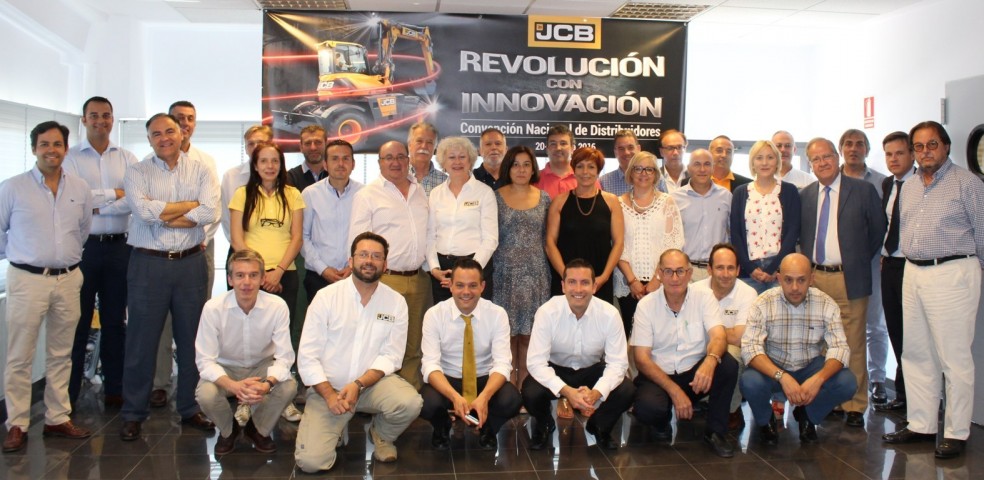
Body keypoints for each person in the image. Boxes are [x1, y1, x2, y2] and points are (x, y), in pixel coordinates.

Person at [883, 121, 984, 459]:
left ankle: (956, 432)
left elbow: (983, 233)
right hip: (913, 271)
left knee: (953, 358)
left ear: (946, 146)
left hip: (952, 272)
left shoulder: (967, 184)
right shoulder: (910, 186)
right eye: (919, 146)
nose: (925, 152)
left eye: (932, 144)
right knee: (916, 353)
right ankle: (922, 424)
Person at [119, 113, 219, 441]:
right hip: (148, 265)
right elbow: (142, 211)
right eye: (156, 133)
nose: (164, 138)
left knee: (192, 341)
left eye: (170, 131)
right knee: (141, 342)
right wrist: (187, 207)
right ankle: (133, 412)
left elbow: (209, 211)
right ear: (149, 139)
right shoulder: (137, 172)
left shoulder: (201, 170)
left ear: (182, 134)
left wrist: (162, 212)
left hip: (190, 263)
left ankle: (190, 407)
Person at [294, 232, 423, 473]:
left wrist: (358, 384)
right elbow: (308, 357)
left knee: (410, 402)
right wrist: (329, 395)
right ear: (351, 260)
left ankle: (381, 434)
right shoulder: (326, 297)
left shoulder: (395, 302)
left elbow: (392, 356)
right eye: (363, 254)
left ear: (385, 264)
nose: (369, 261)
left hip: (371, 386)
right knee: (311, 463)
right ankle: (336, 426)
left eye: (376, 256)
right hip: (328, 390)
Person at [1, 121, 93, 453]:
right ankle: (17, 423)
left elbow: (82, 231)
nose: (51, 150)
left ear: (66, 148)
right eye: (44, 144)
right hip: (27, 280)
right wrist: (24, 255)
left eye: (57, 144)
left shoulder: (79, 188)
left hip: (68, 279)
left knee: (61, 353)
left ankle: (57, 417)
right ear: (34, 149)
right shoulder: (12, 188)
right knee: (20, 355)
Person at [799, 137, 885, 428]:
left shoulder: (862, 190)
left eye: (827, 156)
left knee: (853, 343)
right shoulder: (806, 195)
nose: (822, 163)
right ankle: (831, 399)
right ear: (810, 164)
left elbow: (877, 232)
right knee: (822, 343)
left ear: (837, 158)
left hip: (849, 278)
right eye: (816, 159)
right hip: (816, 278)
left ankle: (855, 404)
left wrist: (855, 261)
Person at [63, 96, 138, 407]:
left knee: (115, 322)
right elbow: (74, 200)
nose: (100, 121)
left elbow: (134, 200)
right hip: (84, 248)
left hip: (120, 247)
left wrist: (96, 202)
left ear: (112, 118)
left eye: (106, 115)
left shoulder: (127, 158)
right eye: (93, 115)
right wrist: (113, 194)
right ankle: (68, 395)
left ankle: (115, 390)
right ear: (84, 120)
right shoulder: (70, 158)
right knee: (78, 323)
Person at [631, 249, 738, 458]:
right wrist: (674, 391)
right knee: (648, 409)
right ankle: (661, 421)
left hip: (694, 376)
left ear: (689, 274)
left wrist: (710, 361)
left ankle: (716, 432)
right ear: (659, 273)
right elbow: (641, 359)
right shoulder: (646, 305)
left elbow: (719, 337)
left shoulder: (704, 297)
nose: (675, 278)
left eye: (680, 271)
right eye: (668, 271)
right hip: (659, 376)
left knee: (727, 365)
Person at [740, 253, 856, 446]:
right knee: (750, 381)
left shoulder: (826, 303)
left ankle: (808, 415)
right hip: (774, 366)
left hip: (810, 366)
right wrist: (782, 377)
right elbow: (750, 348)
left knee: (847, 382)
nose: (795, 287)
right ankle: (765, 420)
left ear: (812, 279)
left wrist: (818, 380)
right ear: (779, 279)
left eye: (801, 280)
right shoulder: (763, 302)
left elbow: (840, 348)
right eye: (788, 280)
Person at [151, 100, 221, 409]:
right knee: (161, 321)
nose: (185, 124)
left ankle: (194, 388)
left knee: (195, 321)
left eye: (190, 118)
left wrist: (197, 234)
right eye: (178, 118)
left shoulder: (205, 162)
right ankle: (160, 383)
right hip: (160, 250)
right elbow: (151, 212)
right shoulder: (149, 164)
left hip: (200, 248)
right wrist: (185, 214)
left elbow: (211, 210)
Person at [523, 259, 635, 451]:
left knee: (627, 390)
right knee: (530, 392)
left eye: (584, 283)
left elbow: (618, 364)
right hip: (556, 369)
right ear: (563, 286)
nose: (578, 289)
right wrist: (567, 392)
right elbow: (536, 363)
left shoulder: (609, 314)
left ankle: (599, 426)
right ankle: (544, 424)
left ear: (594, 286)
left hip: (591, 369)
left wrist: (596, 392)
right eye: (572, 282)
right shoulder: (547, 312)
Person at [229, 142, 305, 422]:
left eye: (275, 161)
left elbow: (296, 238)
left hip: (285, 275)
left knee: (281, 340)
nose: (270, 166)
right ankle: (246, 399)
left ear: (281, 165)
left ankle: (282, 398)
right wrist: (258, 275)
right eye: (264, 161)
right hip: (252, 278)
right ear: (255, 165)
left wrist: (278, 271)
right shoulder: (242, 194)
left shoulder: (293, 194)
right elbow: (237, 238)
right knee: (250, 340)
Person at [195, 249, 297, 456]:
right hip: (226, 368)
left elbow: (285, 358)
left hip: (262, 366)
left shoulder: (277, 306)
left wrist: (267, 384)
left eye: (253, 275)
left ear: (262, 278)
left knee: (289, 386)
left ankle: (257, 429)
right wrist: (233, 386)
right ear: (230, 280)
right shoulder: (213, 308)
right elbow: (205, 361)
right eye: (240, 275)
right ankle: (228, 431)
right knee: (205, 394)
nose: (247, 282)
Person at [349, 140, 430, 390]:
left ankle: (410, 396)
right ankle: (375, 393)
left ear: (408, 160)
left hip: (419, 279)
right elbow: (358, 241)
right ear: (379, 163)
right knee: (381, 340)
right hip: (385, 279)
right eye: (389, 158)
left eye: (400, 157)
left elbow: (429, 233)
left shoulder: (420, 191)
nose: (395, 162)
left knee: (414, 343)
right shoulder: (367, 195)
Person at [420, 259, 521, 450]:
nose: (466, 292)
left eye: (473, 285)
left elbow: (502, 364)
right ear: (450, 285)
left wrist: (484, 397)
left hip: (483, 378)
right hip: (448, 379)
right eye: (460, 285)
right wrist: (455, 397)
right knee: (425, 402)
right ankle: (442, 426)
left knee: (511, 399)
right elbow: (430, 365)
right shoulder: (434, 314)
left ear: (482, 286)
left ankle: (488, 428)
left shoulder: (497, 314)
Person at [839, 128, 891, 407]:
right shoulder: (831, 180)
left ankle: (878, 380)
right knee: (840, 325)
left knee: (874, 324)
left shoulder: (882, 183)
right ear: (841, 149)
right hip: (837, 265)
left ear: (867, 150)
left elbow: (883, 225)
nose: (853, 148)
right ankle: (841, 381)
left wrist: (867, 254)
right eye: (848, 144)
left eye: (859, 144)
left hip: (871, 263)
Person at [492, 145, 551, 392]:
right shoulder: (494, 197)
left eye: (526, 164)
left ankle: (526, 390)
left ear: (533, 168)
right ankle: (508, 392)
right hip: (503, 275)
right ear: (508, 167)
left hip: (536, 275)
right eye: (516, 164)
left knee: (529, 336)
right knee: (505, 337)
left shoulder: (544, 198)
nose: (521, 169)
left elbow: (548, 238)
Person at [614, 151, 684, 334]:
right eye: (638, 169)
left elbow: (673, 244)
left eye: (649, 169)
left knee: (660, 335)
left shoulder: (667, 202)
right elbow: (617, 245)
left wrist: (657, 279)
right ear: (631, 172)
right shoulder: (617, 203)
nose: (643, 173)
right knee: (630, 335)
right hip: (628, 284)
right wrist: (632, 281)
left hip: (660, 282)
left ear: (656, 174)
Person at [691, 243, 758, 431]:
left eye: (730, 268)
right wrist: (719, 334)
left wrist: (712, 333)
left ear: (738, 270)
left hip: (731, 348)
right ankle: (699, 398)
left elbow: (739, 337)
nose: (726, 274)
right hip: (699, 344)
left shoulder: (748, 293)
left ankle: (731, 409)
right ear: (709, 269)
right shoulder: (694, 291)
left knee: (731, 355)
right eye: (720, 268)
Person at [546, 147, 624, 304]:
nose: (585, 172)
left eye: (591, 167)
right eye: (580, 166)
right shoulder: (559, 201)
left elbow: (619, 243)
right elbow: (550, 243)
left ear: (598, 171)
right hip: (565, 279)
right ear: (573, 170)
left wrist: (604, 277)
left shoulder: (612, 201)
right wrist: (566, 276)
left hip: (599, 279)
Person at [426, 137, 498, 304]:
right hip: (443, 272)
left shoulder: (485, 193)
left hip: (475, 267)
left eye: (462, 157)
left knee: (476, 317)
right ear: (443, 162)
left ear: (470, 160)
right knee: (444, 317)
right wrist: (434, 268)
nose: (457, 162)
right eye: (451, 157)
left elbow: (491, 239)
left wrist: (470, 271)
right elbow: (430, 236)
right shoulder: (436, 194)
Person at [873, 131, 916, 413]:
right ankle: (902, 395)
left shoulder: (923, 183)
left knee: (915, 335)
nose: (893, 159)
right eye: (889, 154)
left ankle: (918, 399)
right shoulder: (888, 184)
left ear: (912, 154)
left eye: (899, 153)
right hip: (889, 266)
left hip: (913, 266)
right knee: (896, 332)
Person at [731, 140, 801, 294]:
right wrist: (750, 268)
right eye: (759, 158)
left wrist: (774, 268)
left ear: (777, 161)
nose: (764, 163)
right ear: (752, 163)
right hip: (749, 272)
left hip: (780, 271)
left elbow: (792, 232)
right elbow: (735, 234)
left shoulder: (789, 191)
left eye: (770, 157)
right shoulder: (740, 192)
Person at [302, 139, 362, 303]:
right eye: (335, 159)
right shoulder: (310, 194)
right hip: (318, 276)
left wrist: (352, 266)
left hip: (354, 275)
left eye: (346, 158)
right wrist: (323, 269)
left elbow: (368, 235)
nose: (341, 164)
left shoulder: (364, 194)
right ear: (325, 164)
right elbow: (303, 237)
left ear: (353, 164)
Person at [671, 149, 732, 283]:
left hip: (717, 270)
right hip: (686, 270)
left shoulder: (726, 196)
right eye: (697, 164)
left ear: (713, 168)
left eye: (707, 164)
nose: (702, 169)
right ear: (689, 168)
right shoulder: (674, 198)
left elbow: (732, 234)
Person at [220, 125, 273, 253]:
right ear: (246, 149)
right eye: (251, 144)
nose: (255, 147)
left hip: (273, 249)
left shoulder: (282, 177)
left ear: (271, 145)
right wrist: (240, 247)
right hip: (239, 250)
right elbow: (226, 218)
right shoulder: (231, 176)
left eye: (260, 143)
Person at [534, 124, 577, 199]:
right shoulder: (534, 179)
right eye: (553, 144)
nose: (558, 148)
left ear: (572, 148)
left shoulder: (585, 178)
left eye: (563, 143)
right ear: (547, 149)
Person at [408, 121, 446, 196]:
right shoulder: (395, 176)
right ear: (409, 145)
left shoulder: (445, 182)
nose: (424, 146)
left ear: (435, 147)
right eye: (419, 141)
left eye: (429, 142)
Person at [286, 125, 327, 192]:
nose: (313, 148)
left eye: (318, 142)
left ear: (326, 144)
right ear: (301, 147)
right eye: (308, 143)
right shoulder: (291, 177)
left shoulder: (335, 174)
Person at [600, 129, 640, 195]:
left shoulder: (655, 180)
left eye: (630, 147)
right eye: (621, 149)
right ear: (615, 152)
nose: (626, 152)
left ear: (638, 149)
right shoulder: (603, 182)